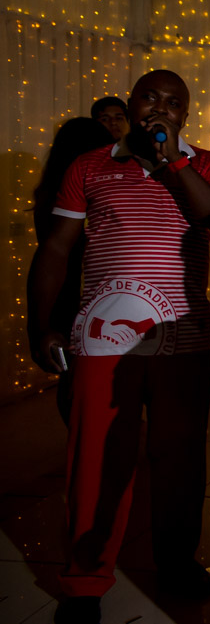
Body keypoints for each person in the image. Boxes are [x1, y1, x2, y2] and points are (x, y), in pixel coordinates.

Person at [26, 70, 210, 624]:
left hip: (182, 342)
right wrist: (41, 324)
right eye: (150, 97)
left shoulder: (206, 165)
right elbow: (56, 248)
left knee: (180, 460)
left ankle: (176, 563)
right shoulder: (90, 165)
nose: (159, 108)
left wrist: (174, 162)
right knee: (95, 461)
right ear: (131, 102)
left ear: (185, 116)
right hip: (102, 344)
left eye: (173, 102)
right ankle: (85, 581)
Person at [30, 117, 113, 423]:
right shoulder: (89, 191)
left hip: (64, 295)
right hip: (90, 293)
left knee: (74, 382)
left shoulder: (51, 191)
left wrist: (37, 324)